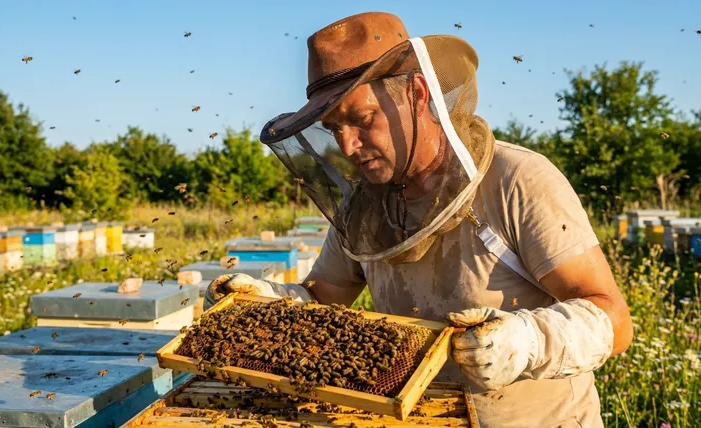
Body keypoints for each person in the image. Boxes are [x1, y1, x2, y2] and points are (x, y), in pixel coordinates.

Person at [206, 11, 632, 427]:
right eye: (334, 128)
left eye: (362, 119)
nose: (349, 146)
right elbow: (323, 297)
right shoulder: (365, 206)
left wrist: (528, 342)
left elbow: (613, 319)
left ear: (418, 94)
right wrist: (262, 303)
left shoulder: (517, 179)